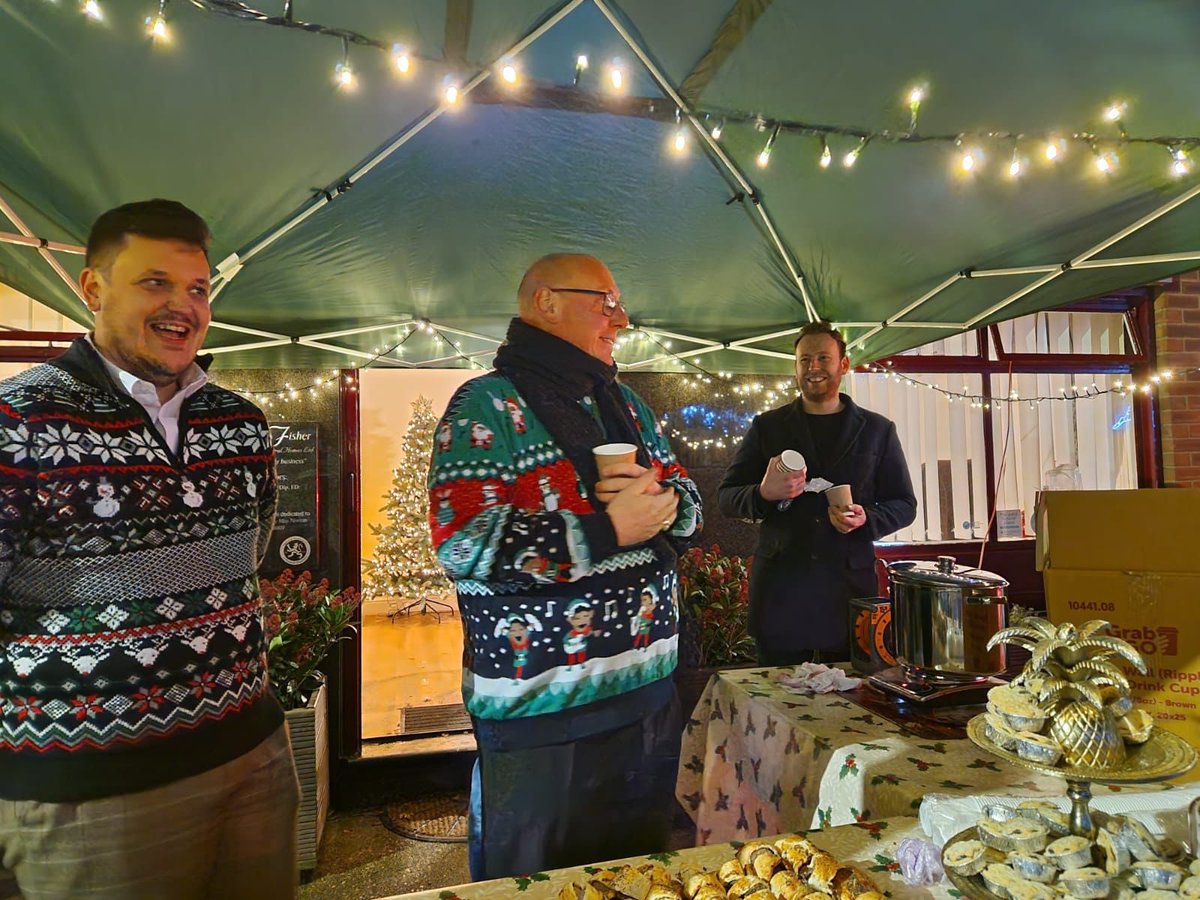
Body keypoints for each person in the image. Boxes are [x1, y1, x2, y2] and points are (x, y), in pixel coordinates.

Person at [0, 200, 299, 898]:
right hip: (93, 787)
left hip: (252, 756)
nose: (182, 306)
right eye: (154, 282)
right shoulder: (20, 419)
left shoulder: (241, 422)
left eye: (197, 288)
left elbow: (245, 558)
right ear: (93, 288)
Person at [428, 253, 702, 879]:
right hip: (540, 717)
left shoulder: (626, 403)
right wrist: (609, 529)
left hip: (648, 698)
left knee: (640, 879)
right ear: (546, 302)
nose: (621, 319)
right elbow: (462, 541)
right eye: (606, 302)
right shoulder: (484, 405)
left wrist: (658, 502)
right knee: (534, 885)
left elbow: (689, 501)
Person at [717, 320, 916, 664]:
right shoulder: (768, 426)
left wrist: (867, 518)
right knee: (777, 694)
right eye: (804, 360)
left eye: (823, 358)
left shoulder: (877, 430)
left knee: (852, 696)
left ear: (843, 364)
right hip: (780, 599)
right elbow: (726, 498)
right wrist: (763, 493)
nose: (813, 367)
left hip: (849, 598)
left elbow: (904, 504)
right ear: (795, 367)